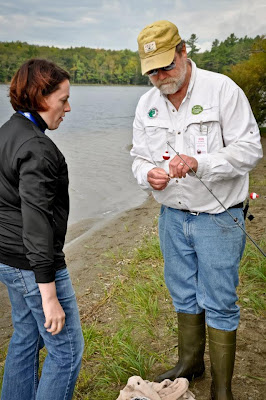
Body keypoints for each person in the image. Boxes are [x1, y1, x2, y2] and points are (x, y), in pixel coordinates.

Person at [131, 20, 263, 400]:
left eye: (166, 66)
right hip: (172, 217)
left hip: (219, 218)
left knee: (220, 300)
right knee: (182, 294)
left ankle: (222, 389)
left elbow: (250, 150)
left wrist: (200, 163)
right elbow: (138, 158)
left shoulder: (222, 89)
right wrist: (148, 175)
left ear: (184, 52)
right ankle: (191, 363)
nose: (160, 76)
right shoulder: (147, 104)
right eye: (151, 70)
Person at [0, 59, 84, 399]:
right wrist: (48, 294)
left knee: (26, 336)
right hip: (33, 263)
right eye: (62, 99)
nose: (68, 107)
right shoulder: (36, 147)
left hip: (7, 256)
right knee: (66, 351)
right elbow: (36, 222)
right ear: (40, 98)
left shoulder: (7, 131)